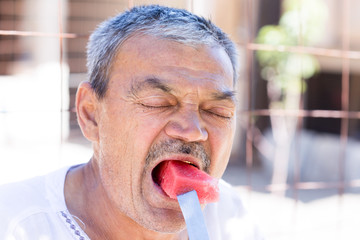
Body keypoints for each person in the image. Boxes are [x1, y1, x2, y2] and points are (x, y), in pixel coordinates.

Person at [0, 5, 263, 240]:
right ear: (91, 114)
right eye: (157, 102)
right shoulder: (14, 224)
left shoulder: (230, 218)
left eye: (217, 111)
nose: (193, 131)